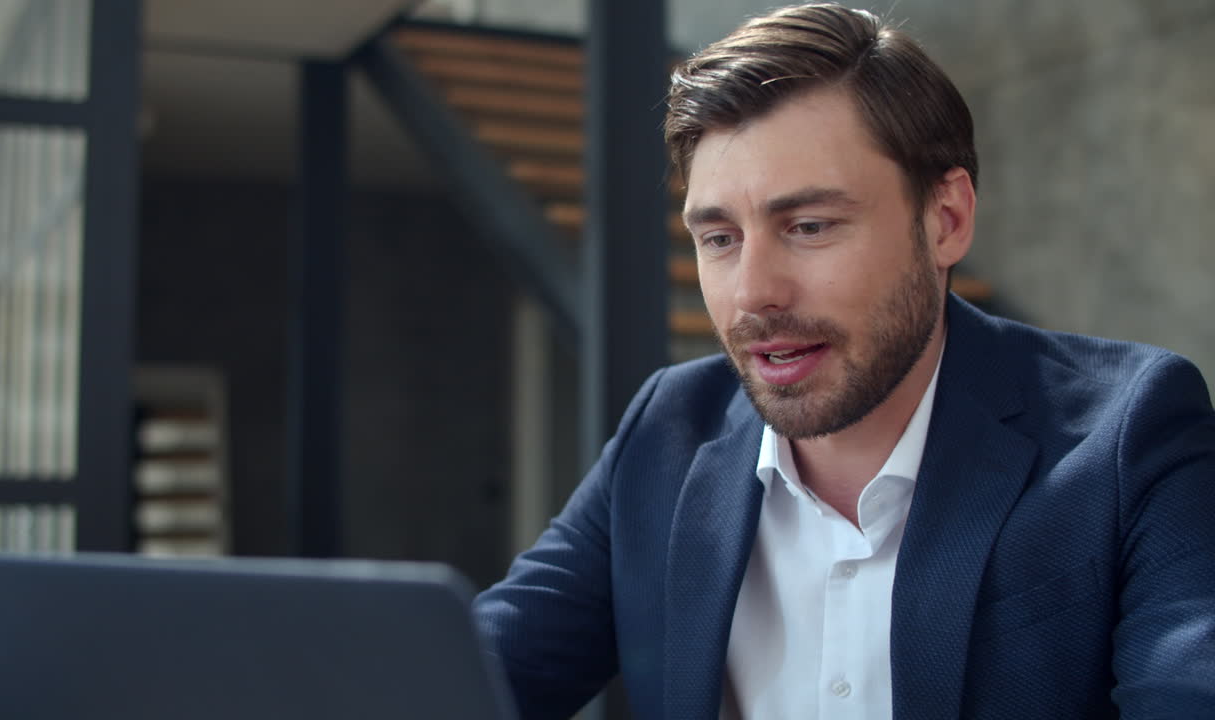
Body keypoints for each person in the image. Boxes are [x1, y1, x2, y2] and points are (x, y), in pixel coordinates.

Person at [473, 4, 1215, 719]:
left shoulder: (1132, 432)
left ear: (946, 220)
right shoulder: (668, 431)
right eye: (720, 238)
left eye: (810, 225)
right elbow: (469, 674)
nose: (754, 294)